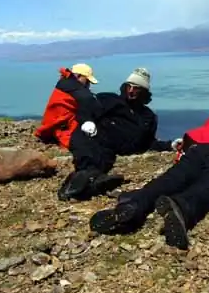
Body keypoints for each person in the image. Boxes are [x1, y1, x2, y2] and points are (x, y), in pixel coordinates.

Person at [89, 88, 209, 250]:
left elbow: (199, 135)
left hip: (197, 149)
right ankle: (182, 207)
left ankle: (134, 203)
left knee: (170, 180)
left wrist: (180, 156)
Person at [57, 68, 182, 201]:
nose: (131, 91)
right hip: (92, 137)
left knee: (102, 162)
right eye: (129, 86)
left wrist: (170, 145)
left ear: (144, 92)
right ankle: (85, 183)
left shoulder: (147, 118)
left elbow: (147, 143)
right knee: (88, 156)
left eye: (137, 88)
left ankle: (83, 185)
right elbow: (86, 108)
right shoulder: (108, 99)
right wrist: (87, 121)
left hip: (111, 149)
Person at [32, 63, 124, 201]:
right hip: (62, 127)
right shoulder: (75, 89)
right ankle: (81, 182)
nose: (88, 85)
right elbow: (92, 104)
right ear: (79, 76)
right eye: (87, 81)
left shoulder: (67, 84)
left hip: (61, 123)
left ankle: (91, 178)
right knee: (86, 146)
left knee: (95, 142)